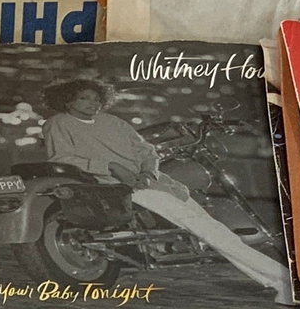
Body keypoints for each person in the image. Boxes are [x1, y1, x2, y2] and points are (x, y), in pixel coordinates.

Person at [36, 77, 286, 285]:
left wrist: (148, 172)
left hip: (151, 183)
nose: (93, 103)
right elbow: (62, 158)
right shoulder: (58, 123)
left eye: (96, 99)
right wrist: (111, 167)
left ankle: (272, 278)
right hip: (112, 186)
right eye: (84, 98)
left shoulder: (113, 122)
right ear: (67, 100)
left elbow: (147, 151)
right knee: (210, 230)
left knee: (211, 228)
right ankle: (279, 279)